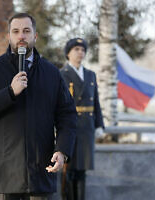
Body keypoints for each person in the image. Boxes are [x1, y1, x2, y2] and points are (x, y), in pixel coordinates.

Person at [0, 13, 77, 200]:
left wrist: (62, 150)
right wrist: (9, 92)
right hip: (2, 178)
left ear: (35, 36)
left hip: (40, 176)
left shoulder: (52, 73)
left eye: (26, 31)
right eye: (16, 31)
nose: (21, 36)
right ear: (9, 36)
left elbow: (67, 116)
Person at [60, 38, 105, 200]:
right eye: (76, 49)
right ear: (68, 53)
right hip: (70, 127)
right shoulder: (62, 74)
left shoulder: (90, 74)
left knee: (82, 170)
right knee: (69, 170)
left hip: (87, 127)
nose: (80, 53)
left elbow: (96, 102)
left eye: (83, 50)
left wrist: (99, 124)